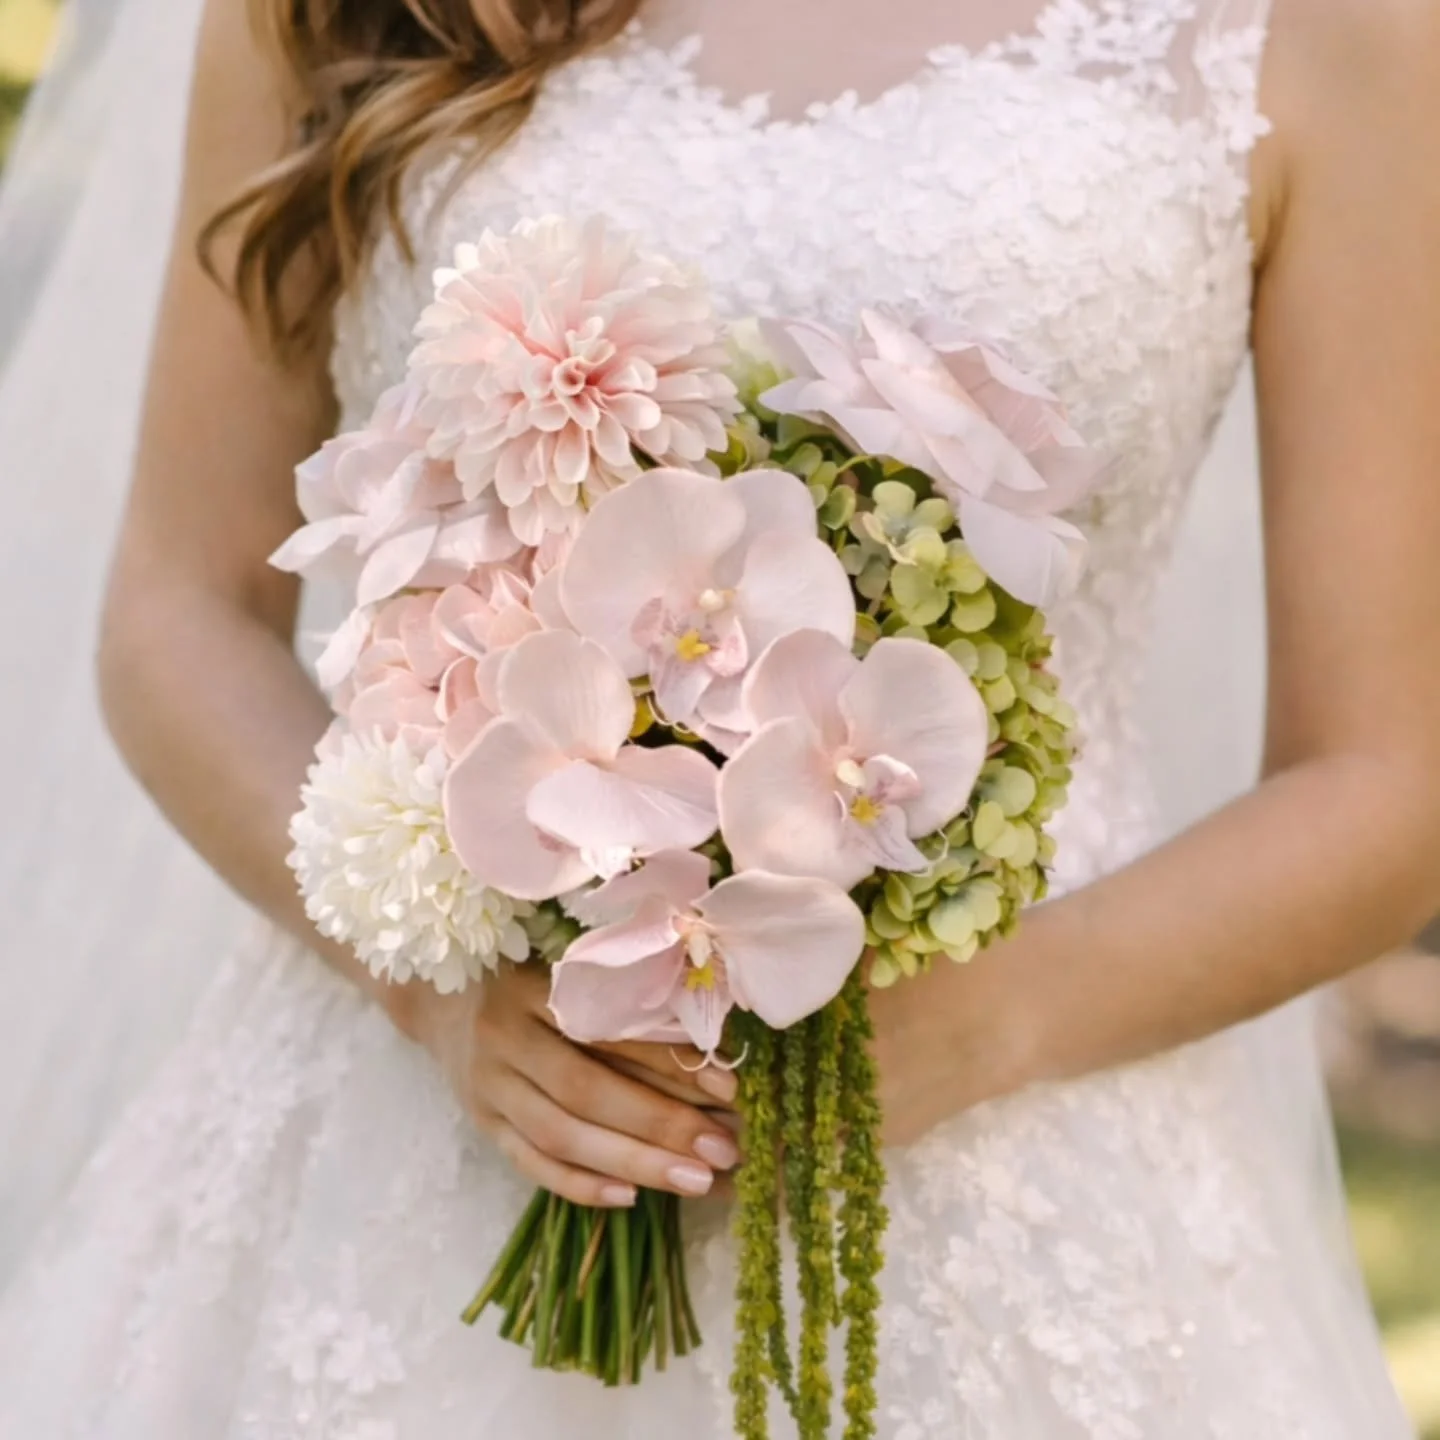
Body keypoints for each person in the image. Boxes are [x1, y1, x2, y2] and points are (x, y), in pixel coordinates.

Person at [0, 0, 1436, 1434]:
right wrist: (432, 993)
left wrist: (979, 1030)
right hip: (410, 1130)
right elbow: (180, 609)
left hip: (1015, 1146)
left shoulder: (1334, 33)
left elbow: (1391, 775)